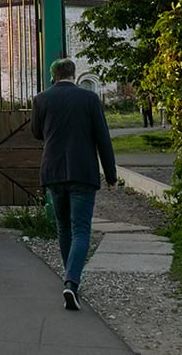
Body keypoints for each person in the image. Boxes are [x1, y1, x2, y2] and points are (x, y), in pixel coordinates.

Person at [32, 58, 118, 311]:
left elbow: (36, 133)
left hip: (54, 171)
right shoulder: (89, 99)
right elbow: (103, 138)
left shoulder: (41, 100)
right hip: (83, 172)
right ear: (73, 74)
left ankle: (69, 276)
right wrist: (111, 175)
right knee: (82, 229)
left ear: (54, 76)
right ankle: (72, 280)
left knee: (63, 227)